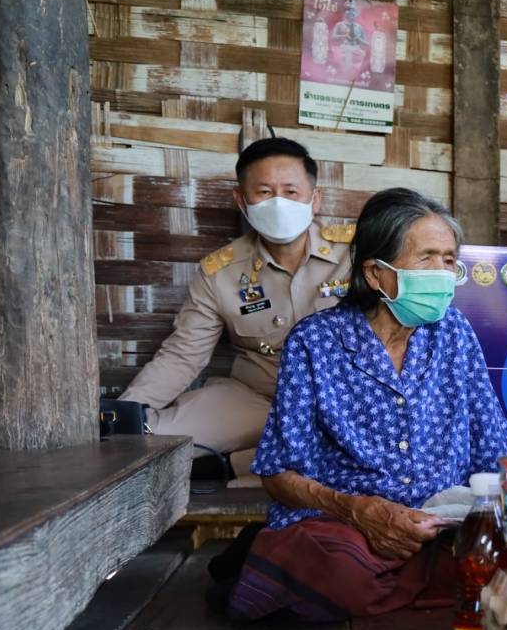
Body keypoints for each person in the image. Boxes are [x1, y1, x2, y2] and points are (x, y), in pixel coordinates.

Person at [224, 188, 507, 621]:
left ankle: (409, 583)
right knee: (341, 568)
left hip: (440, 523)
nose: (441, 274)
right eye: (426, 258)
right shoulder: (316, 341)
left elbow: (493, 447)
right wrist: (358, 511)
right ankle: (426, 587)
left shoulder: (454, 332)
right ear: (376, 273)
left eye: (449, 260)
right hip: (349, 524)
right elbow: (278, 472)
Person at [116, 137, 354, 464]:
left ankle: (240, 466)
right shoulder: (220, 272)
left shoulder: (356, 253)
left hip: (347, 400)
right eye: (265, 192)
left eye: (291, 192)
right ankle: (250, 464)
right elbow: (184, 353)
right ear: (241, 200)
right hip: (259, 401)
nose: (279, 203)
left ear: (315, 200)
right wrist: (126, 410)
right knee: (145, 441)